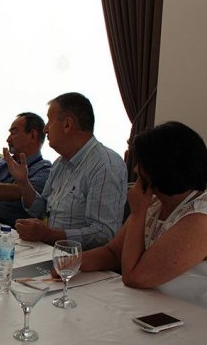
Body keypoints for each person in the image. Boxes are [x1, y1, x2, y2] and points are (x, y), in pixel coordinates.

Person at [79, 122, 207, 318]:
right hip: (162, 312)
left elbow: (135, 277)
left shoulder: (201, 220)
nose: (135, 170)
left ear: (160, 168)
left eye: (141, 164)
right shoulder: (156, 204)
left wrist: (137, 213)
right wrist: (70, 263)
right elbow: (114, 252)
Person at [10, 92, 127, 250]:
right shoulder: (60, 163)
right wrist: (23, 183)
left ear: (67, 124)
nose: (45, 129)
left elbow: (104, 234)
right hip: (51, 252)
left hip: (82, 260)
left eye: (49, 121)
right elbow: (42, 210)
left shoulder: (105, 166)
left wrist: (49, 234)